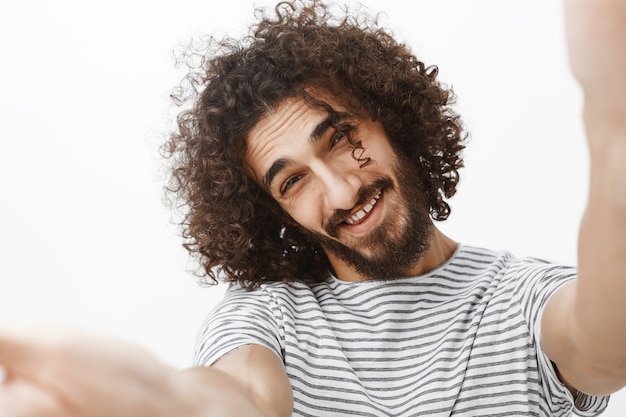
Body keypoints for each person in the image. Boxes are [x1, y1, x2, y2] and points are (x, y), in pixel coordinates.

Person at [0, 0, 625, 416]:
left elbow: (606, 343)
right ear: (272, 211)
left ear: (393, 118)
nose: (342, 191)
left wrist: (610, 127)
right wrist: (148, 397)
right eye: (293, 180)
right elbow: (235, 399)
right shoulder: (266, 316)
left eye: (341, 138)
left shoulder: (524, 298)